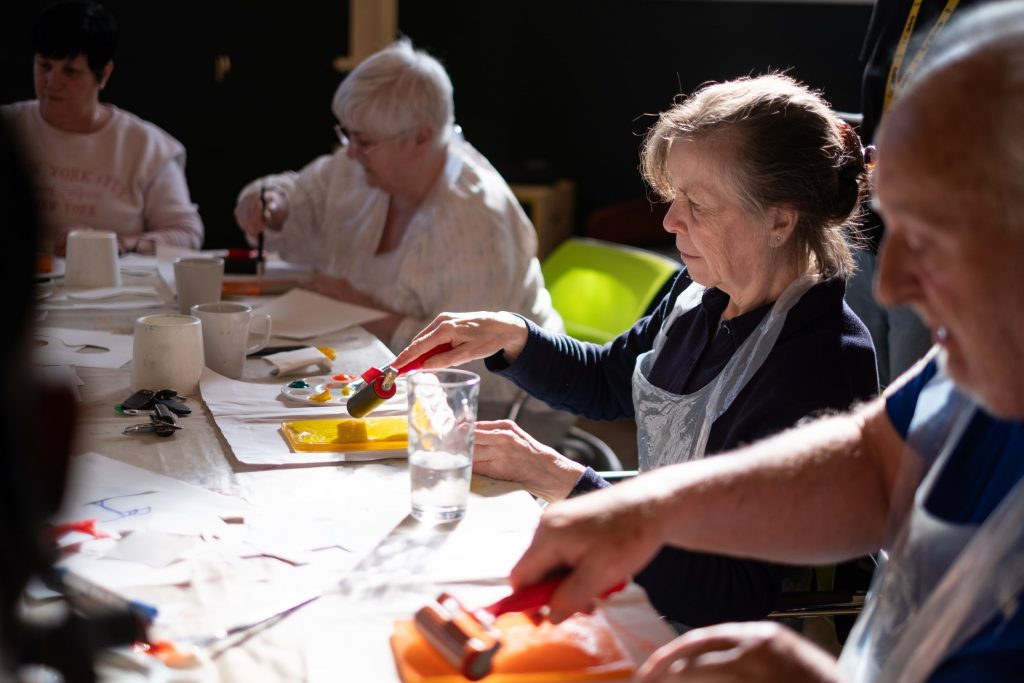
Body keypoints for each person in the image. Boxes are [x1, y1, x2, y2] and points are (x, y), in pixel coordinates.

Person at [506, 3, 1024, 681]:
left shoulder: (826, 348)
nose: (892, 285)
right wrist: (647, 510)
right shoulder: (975, 370)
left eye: (933, 236)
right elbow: (874, 459)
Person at [393, 74, 879, 627]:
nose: (670, 220)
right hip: (649, 578)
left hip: (723, 637)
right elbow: (611, 381)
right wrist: (512, 336)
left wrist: (563, 480)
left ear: (780, 220)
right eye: (675, 197)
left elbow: (731, 592)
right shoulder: (701, 293)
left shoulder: (819, 362)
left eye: (698, 204)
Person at [234, 39, 563, 423]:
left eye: (363, 140)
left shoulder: (476, 221)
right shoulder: (362, 165)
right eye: (347, 134)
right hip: (389, 377)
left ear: (421, 137)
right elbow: (304, 191)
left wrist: (361, 308)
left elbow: (471, 362)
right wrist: (276, 201)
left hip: (497, 407)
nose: (350, 151)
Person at [845, 0, 984, 387]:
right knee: (860, 377)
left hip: (934, 232)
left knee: (910, 387)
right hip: (868, 219)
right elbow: (877, 91)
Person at [0, 0, 204, 257]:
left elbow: (187, 234)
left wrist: (117, 243)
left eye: (70, 72)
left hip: (113, 281)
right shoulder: (9, 127)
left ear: (104, 74)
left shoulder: (146, 146)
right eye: (45, 66)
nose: (52, 82)